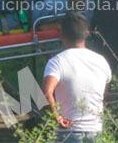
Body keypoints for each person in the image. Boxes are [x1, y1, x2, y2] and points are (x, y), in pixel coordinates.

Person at [43, 12, 111, 143]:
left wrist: (57, 117)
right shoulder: (101, 61)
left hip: (69, 131)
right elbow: (104, 95)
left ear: (61, 35)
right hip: (96, 130)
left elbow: (47, 92)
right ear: (87, 34)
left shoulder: (57, 62)